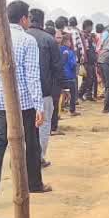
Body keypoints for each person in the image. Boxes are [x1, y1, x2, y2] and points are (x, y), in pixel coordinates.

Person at [0, 0, 49, 195]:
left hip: (1, 102)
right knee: (31, 143)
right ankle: (34, 184)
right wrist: (38, 105)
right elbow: (32, 75)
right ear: (23, 19)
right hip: (25, 103)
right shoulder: (27, 40)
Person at [27, 9, 62, 166]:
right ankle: (39, 158)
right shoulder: (49, 40)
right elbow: (57, 68)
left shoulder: (21, 37)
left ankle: (24, 159)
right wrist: (57, 91)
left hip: (22, 92)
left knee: (25, 126)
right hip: (44, 91)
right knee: (44, 124)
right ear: (42, 21)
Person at [80, 19, 99, 101]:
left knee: (92, 78)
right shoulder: (83, 36)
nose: (92, 28)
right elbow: (86, 49)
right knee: (87, 79)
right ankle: (80, 94)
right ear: (87, 26)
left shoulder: (89, 36)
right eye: (91, 26)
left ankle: (88, 95)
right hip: (87, 61)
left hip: (91, 60)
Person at [60, 35, 79, 117]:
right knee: (73, 93)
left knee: (60, 93)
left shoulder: (58, 50)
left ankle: (60, 109)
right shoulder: (70, 52)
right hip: (69, 77)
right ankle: (72, 110)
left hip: (60, 77)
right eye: (69, 41)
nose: (70, 43)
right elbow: (73, 64)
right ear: (66, 42)